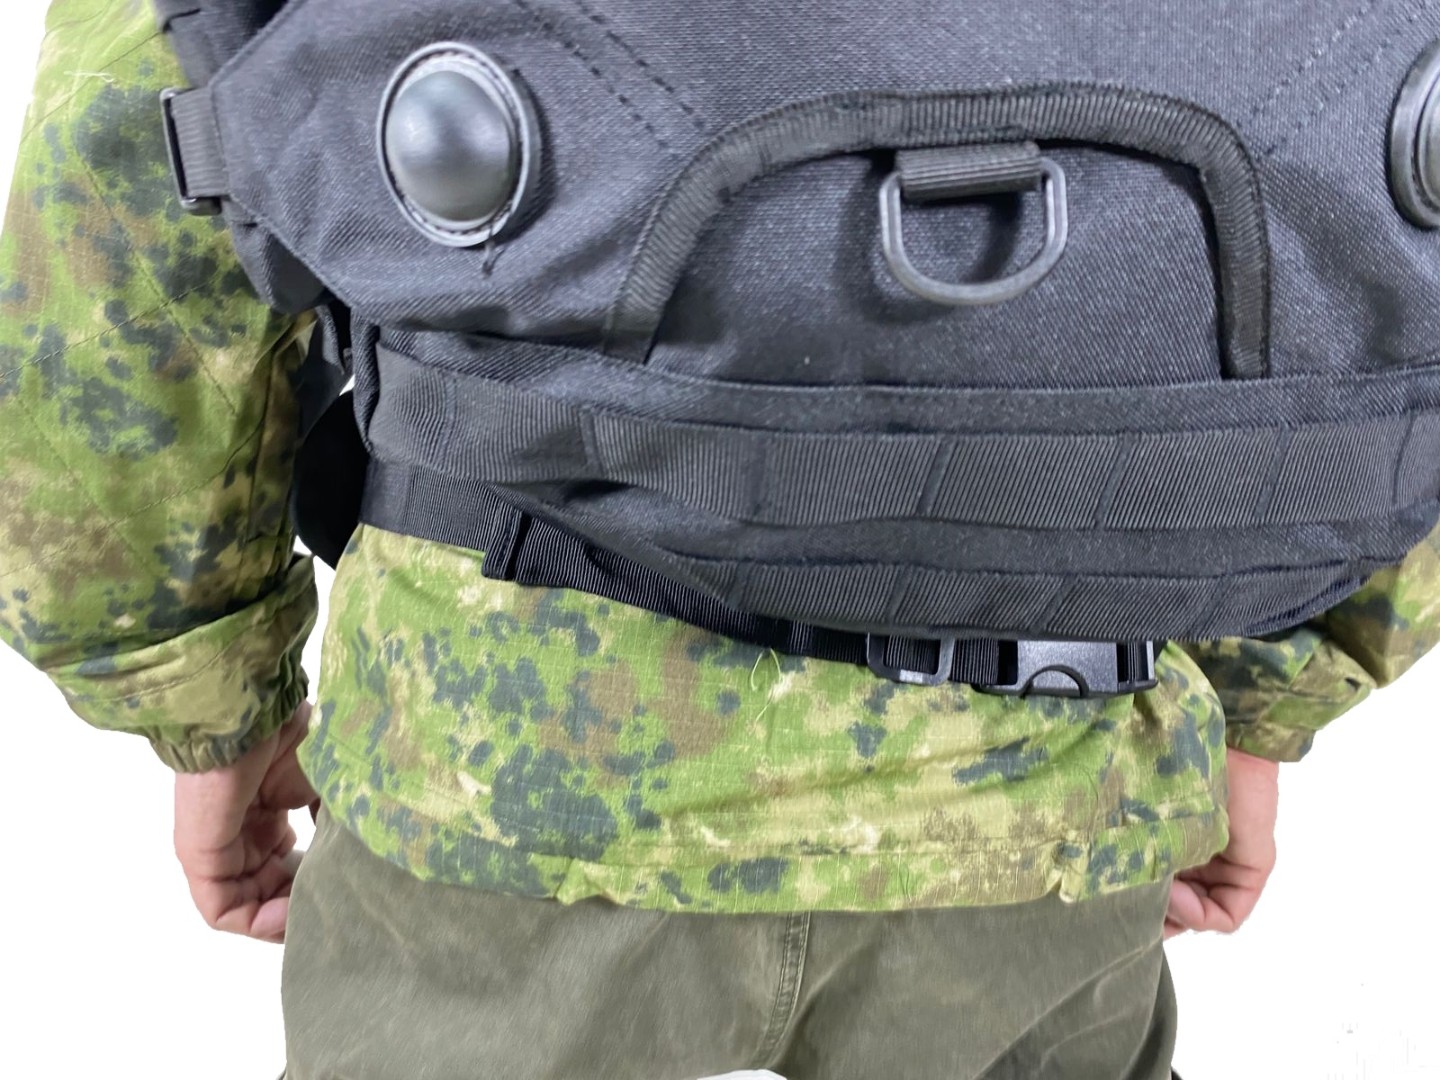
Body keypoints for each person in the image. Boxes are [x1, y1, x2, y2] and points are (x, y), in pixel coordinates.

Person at [3, 2, 1438, 1078]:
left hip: (509, 770)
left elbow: (130, 182)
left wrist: (200, 699)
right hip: (1045, 770)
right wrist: (1273, 687)